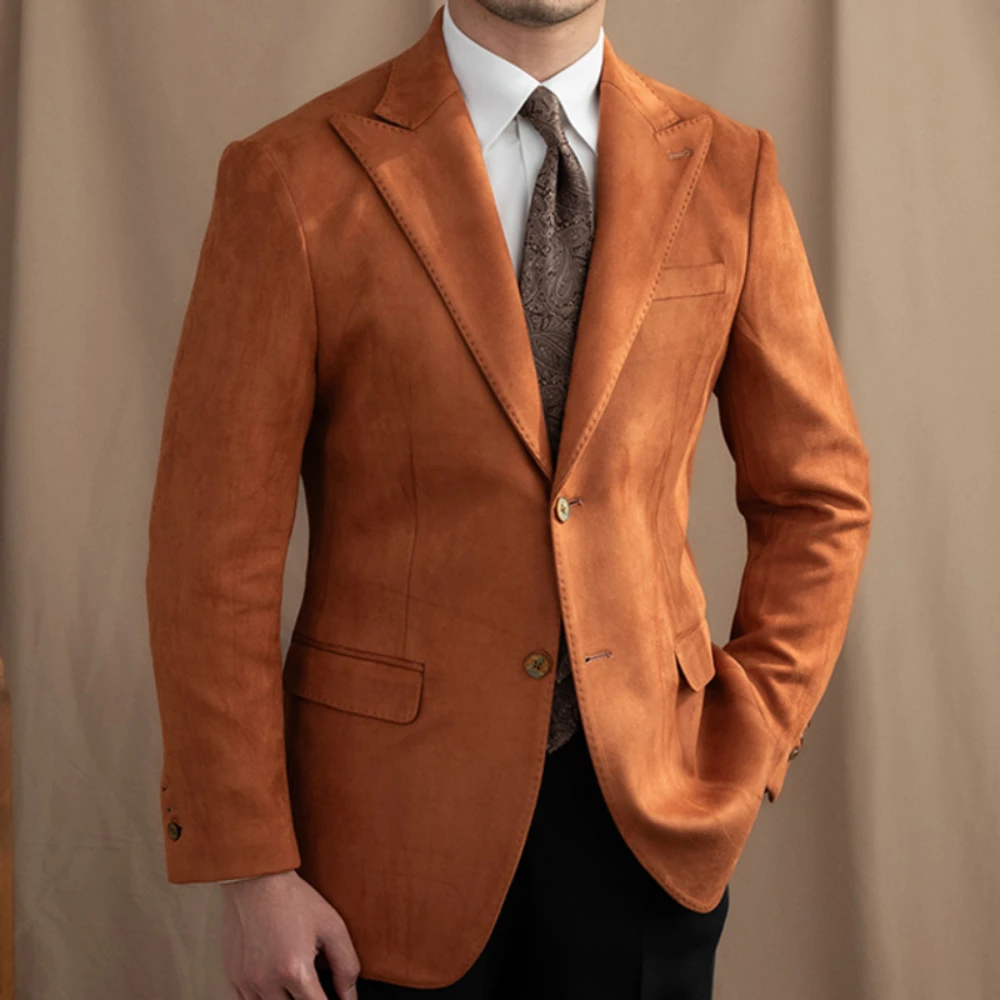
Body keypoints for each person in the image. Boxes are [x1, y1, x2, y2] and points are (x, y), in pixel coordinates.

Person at [145, 1, 873, 998]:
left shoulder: (727, 170)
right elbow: (210, 550)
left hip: (649, 830)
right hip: (375, 847)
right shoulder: (292, 176)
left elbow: (819, 494)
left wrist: (749, 732)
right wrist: (252, 864)